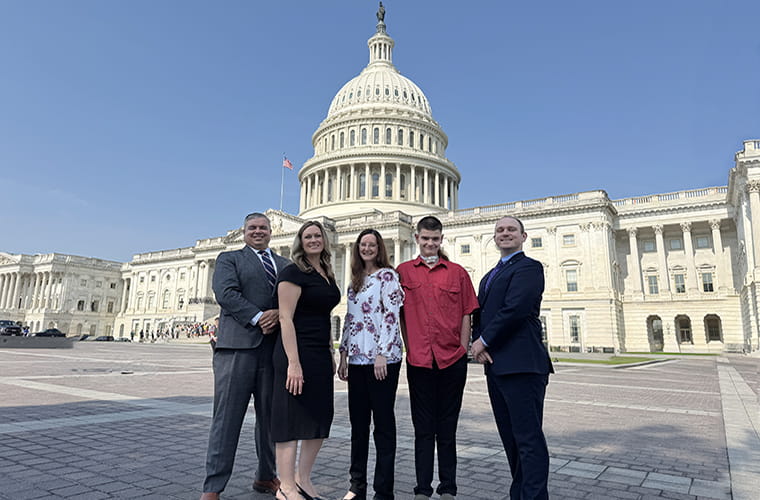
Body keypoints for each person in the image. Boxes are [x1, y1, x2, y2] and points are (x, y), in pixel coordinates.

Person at [200, 212, 290, 500]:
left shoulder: (285, 264)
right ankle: (213, 486)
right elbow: (225, 293)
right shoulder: (229, 259)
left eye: (263, 227)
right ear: (244, 232)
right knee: (226, 419)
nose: (258, 231)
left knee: (270, 420)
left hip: (272, 350)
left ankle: (266, 475)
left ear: (271, 231)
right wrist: (257, 316)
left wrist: (278, 313)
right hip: (236, 349)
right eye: (253, 228)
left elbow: (292, 300)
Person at [470, 216, 554, 500]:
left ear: (523, 236)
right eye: (500, 230)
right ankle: (519, 493)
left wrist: (482, 341)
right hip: (497, 367)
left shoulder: (529, 268)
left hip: (523, 364)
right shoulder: (488, 276)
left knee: (529, 440)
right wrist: (476, 340)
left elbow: (515, 309)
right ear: (494, 237)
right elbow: (481, 315)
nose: (505, 234)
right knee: (511, 440)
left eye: (511, 230)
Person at [397, 216, 479, 500]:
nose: (430, 243)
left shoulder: (457, 272)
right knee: (422, 429)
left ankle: (448, 487)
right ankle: (422, 489)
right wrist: (410, 347)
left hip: (451, 359)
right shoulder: (403, 272)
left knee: (447, 427)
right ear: (417, 238)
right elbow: (398, 316)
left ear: (441, 239)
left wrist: (462, 348)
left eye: (435, 239)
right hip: (419, 360)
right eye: (425, 238)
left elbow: (468, 312)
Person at [272, 220, 341, 500]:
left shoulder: (326, 272)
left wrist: (330, 350)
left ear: (324, 239)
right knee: (291, 419)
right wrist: (294, 362)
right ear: (300, 242)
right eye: (308, 236)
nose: (313, 240)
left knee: (319, 419)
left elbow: (324, 316)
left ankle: (303, 480)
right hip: (295, 351)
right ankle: (286, 487)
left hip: (319, 352)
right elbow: (285, 317)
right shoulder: (293, 272)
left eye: (317, 235)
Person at [337, 229, 404, 500]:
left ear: (380, 248)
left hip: (382, 360)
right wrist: (343, 354)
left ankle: (383, 490)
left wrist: (382, 353)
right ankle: (357, 486)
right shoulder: (355, 280)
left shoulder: (388, 276)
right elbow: (350, 319)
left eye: (372, 244)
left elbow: (391, 315)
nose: (367, 248)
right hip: (356, 359)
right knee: (358, 425)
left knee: (384, 425)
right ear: (357, 248)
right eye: (363, 245)